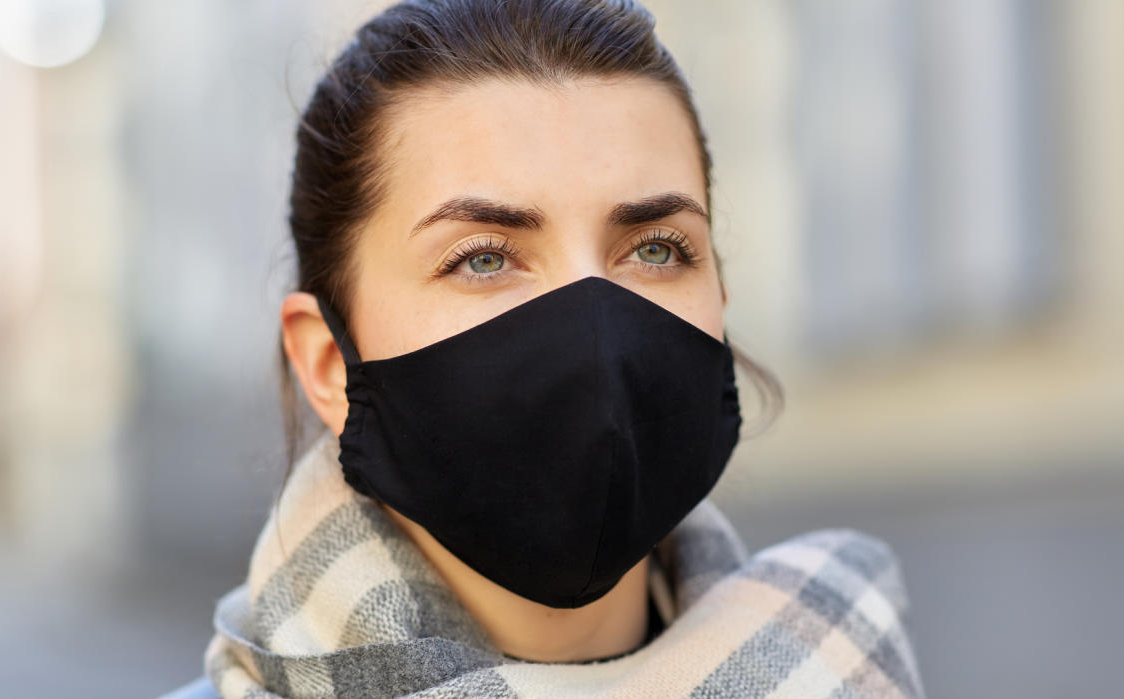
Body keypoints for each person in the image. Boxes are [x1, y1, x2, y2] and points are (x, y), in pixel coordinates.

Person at [162, 0, 924, 696]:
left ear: (719, 295)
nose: (595, 326)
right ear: (330, 364)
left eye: (656, 249)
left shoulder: (843, 669)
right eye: (484, 257)